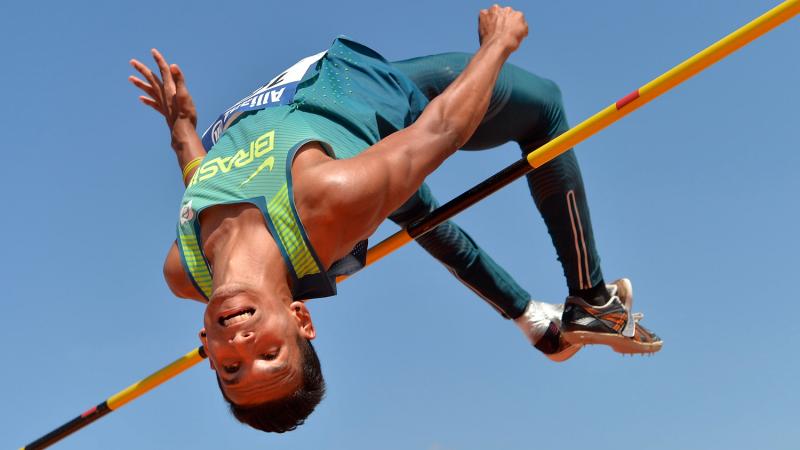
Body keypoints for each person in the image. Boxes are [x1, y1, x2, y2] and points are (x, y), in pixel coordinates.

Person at [129, 5, 661, 433]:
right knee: (544, 107)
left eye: (232, 369)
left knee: (420, 213)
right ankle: (592, 300)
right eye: (270, 352)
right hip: (366, 100)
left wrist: (182, 131)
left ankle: (532, 320)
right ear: (301, 321)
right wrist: (498, 43)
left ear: (208, 350)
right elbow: (442, 129)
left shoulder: (183, 270)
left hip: (315, 116)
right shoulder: (329, 199)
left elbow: (201, 190)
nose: (243, 346)